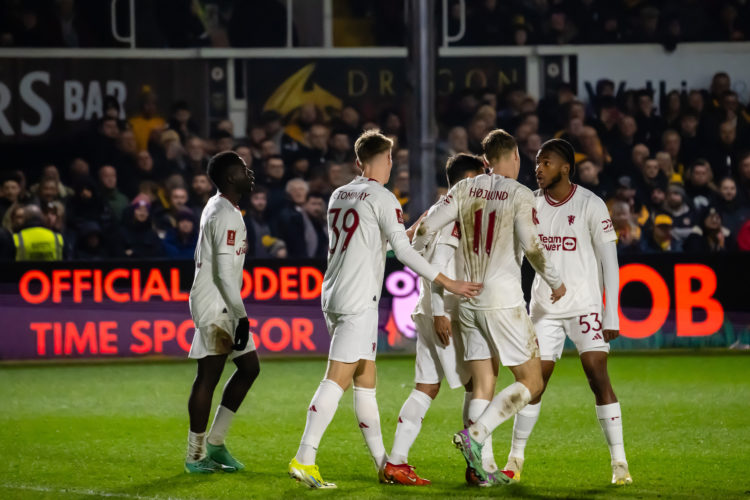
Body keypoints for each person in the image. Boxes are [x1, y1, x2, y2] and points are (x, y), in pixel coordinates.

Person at [288, 130, 482, 489]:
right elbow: (404, 255)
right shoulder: (384, 197)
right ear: (387, 159)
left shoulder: (339, 194)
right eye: (392, 158)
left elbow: (376, 244)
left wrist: (406, 231)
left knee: (366, 382)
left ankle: (385, 464)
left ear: (358, 161)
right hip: (359, 299)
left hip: (333, 292)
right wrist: (448, 282)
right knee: (337, 379)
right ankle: (305, 457)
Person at [412, 129, 566, 486]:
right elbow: (532, 246)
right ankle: (477, 434)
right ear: (513, 157)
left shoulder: (463, 189)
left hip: (466, 298)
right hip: (502, 299)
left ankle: (482, 471)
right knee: (533, 381)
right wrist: (556, 281)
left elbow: (425, 229)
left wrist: (423, 263)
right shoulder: (520, 193)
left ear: (485, 162)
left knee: (483, 383)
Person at [504, 138, 632, 486]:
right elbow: (515, 255)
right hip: (544, 308)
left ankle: (619, 463)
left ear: (565, 167)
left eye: (546, 163)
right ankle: (515, 458)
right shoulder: (529, 203)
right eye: (536, 163)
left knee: (597, 375)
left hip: (585, 306)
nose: (538, 168)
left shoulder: (591, 204)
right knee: (533, 383)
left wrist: (611, 314)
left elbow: (610, 262)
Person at [385, 153, 486, 486]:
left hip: (427, 308)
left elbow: (412, 245)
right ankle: (477, 466)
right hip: (446, 313)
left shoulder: (433, 211)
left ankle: (396, 462)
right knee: (478, 384)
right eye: (475, 179)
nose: (481, 185)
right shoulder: (452, 217)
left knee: (426, 386)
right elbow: (439, 264)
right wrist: (442, 313)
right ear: (461, 182)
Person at [185, 151, 260, 473]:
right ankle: (195, 455)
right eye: (244, 169)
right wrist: (241, 316)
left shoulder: (223, 208)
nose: (250, 173)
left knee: (249, 368)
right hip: (216, 302)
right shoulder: (224, 214)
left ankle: (215, 443)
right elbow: (223, 274)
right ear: (231, 177)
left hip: (223, 300)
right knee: (209, 375)